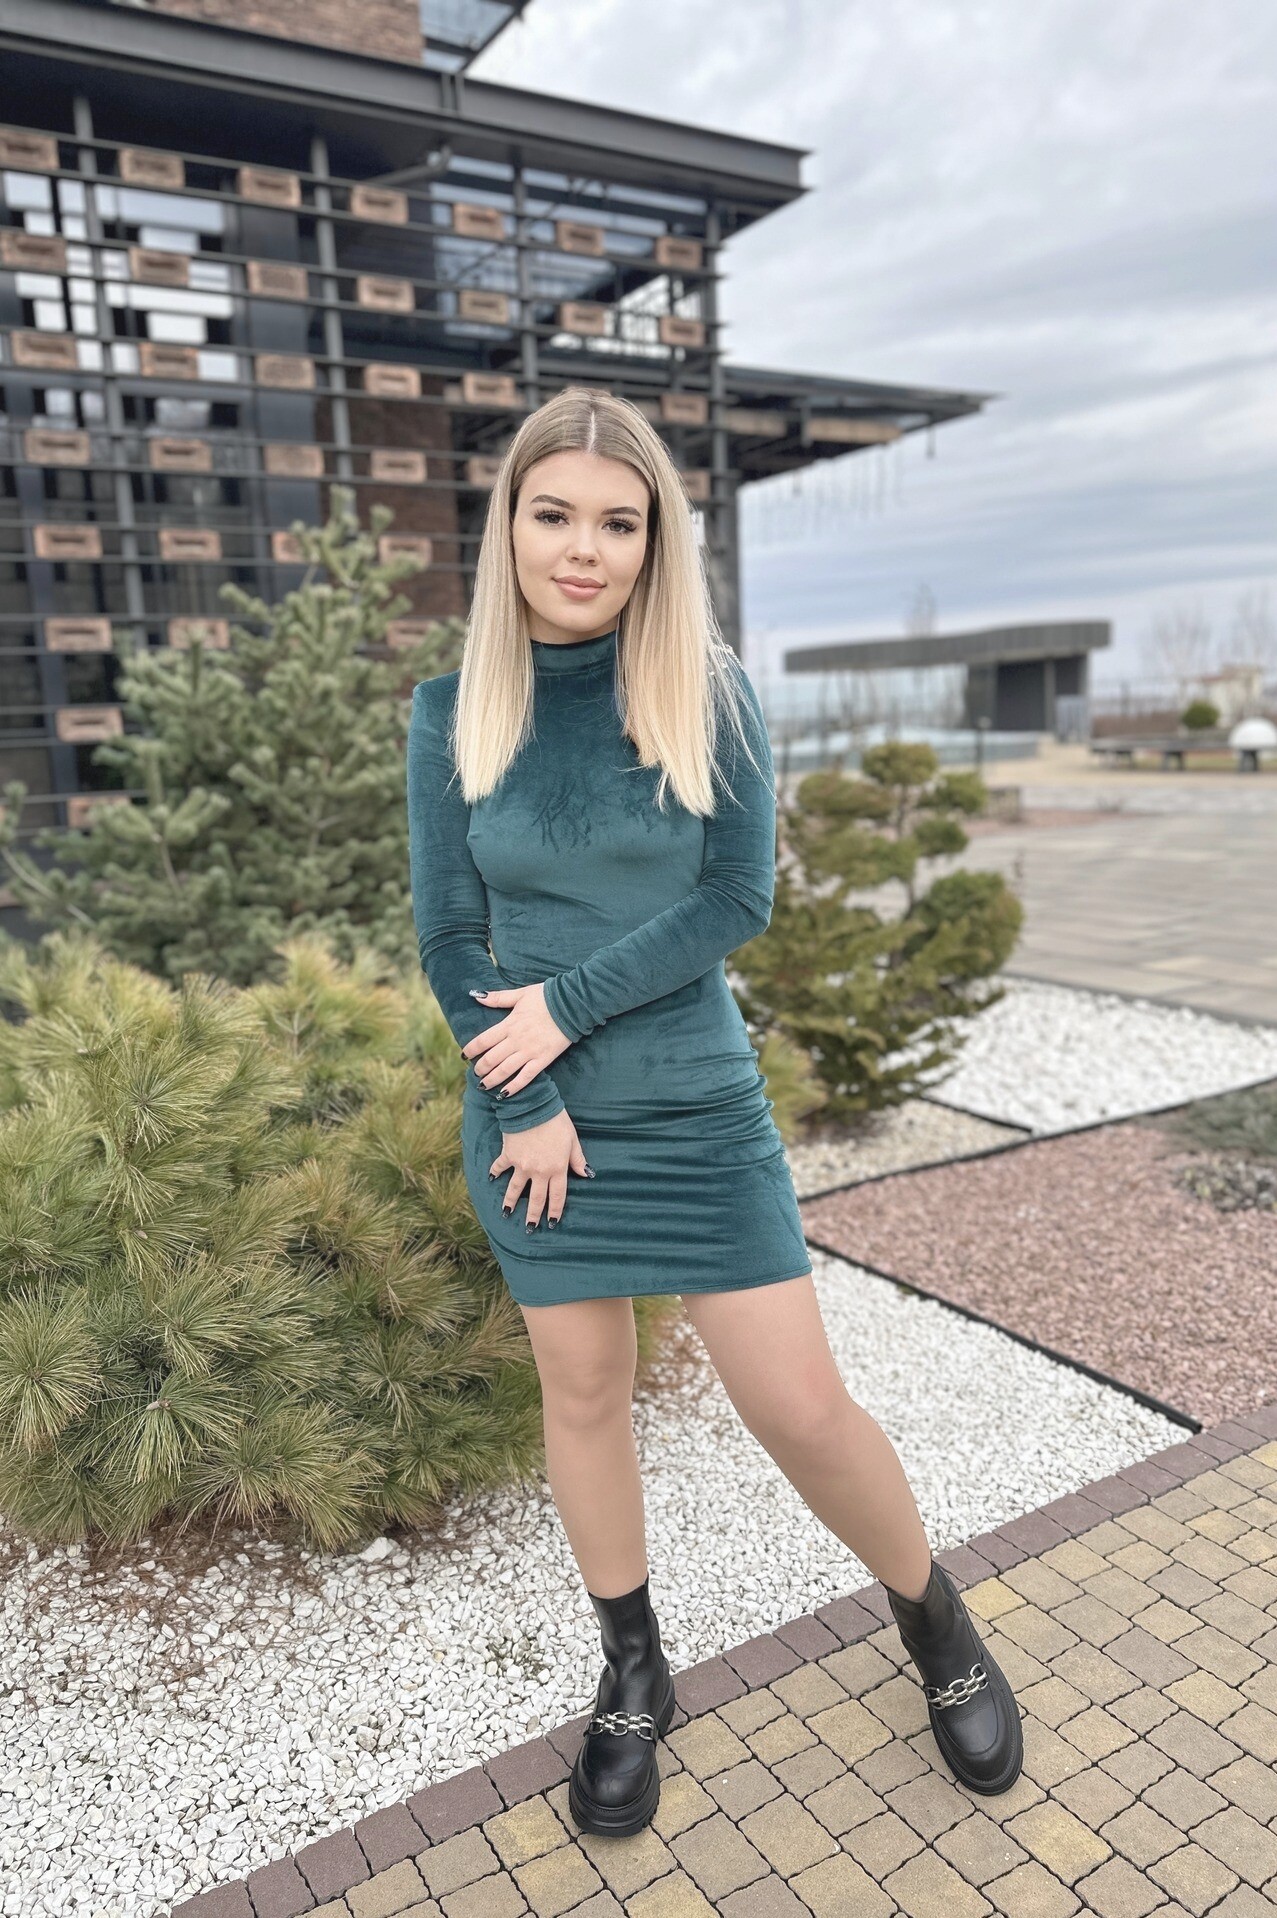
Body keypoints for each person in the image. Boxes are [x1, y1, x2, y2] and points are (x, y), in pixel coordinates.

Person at [405, 385, 1022, 1838]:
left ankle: (932, 1614)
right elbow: (448, 935)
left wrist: (566, 1006)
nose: (584, 549)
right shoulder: (451, 711)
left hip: (693, 1107)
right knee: (582, 1395)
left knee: (800, 1407)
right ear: (507, 527)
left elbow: (735, 899)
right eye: (554, 515)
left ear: (655, 543)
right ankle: (633, 1668)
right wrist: (528, 1089)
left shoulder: (706, 690)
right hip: (534, 1121)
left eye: (619, 524)